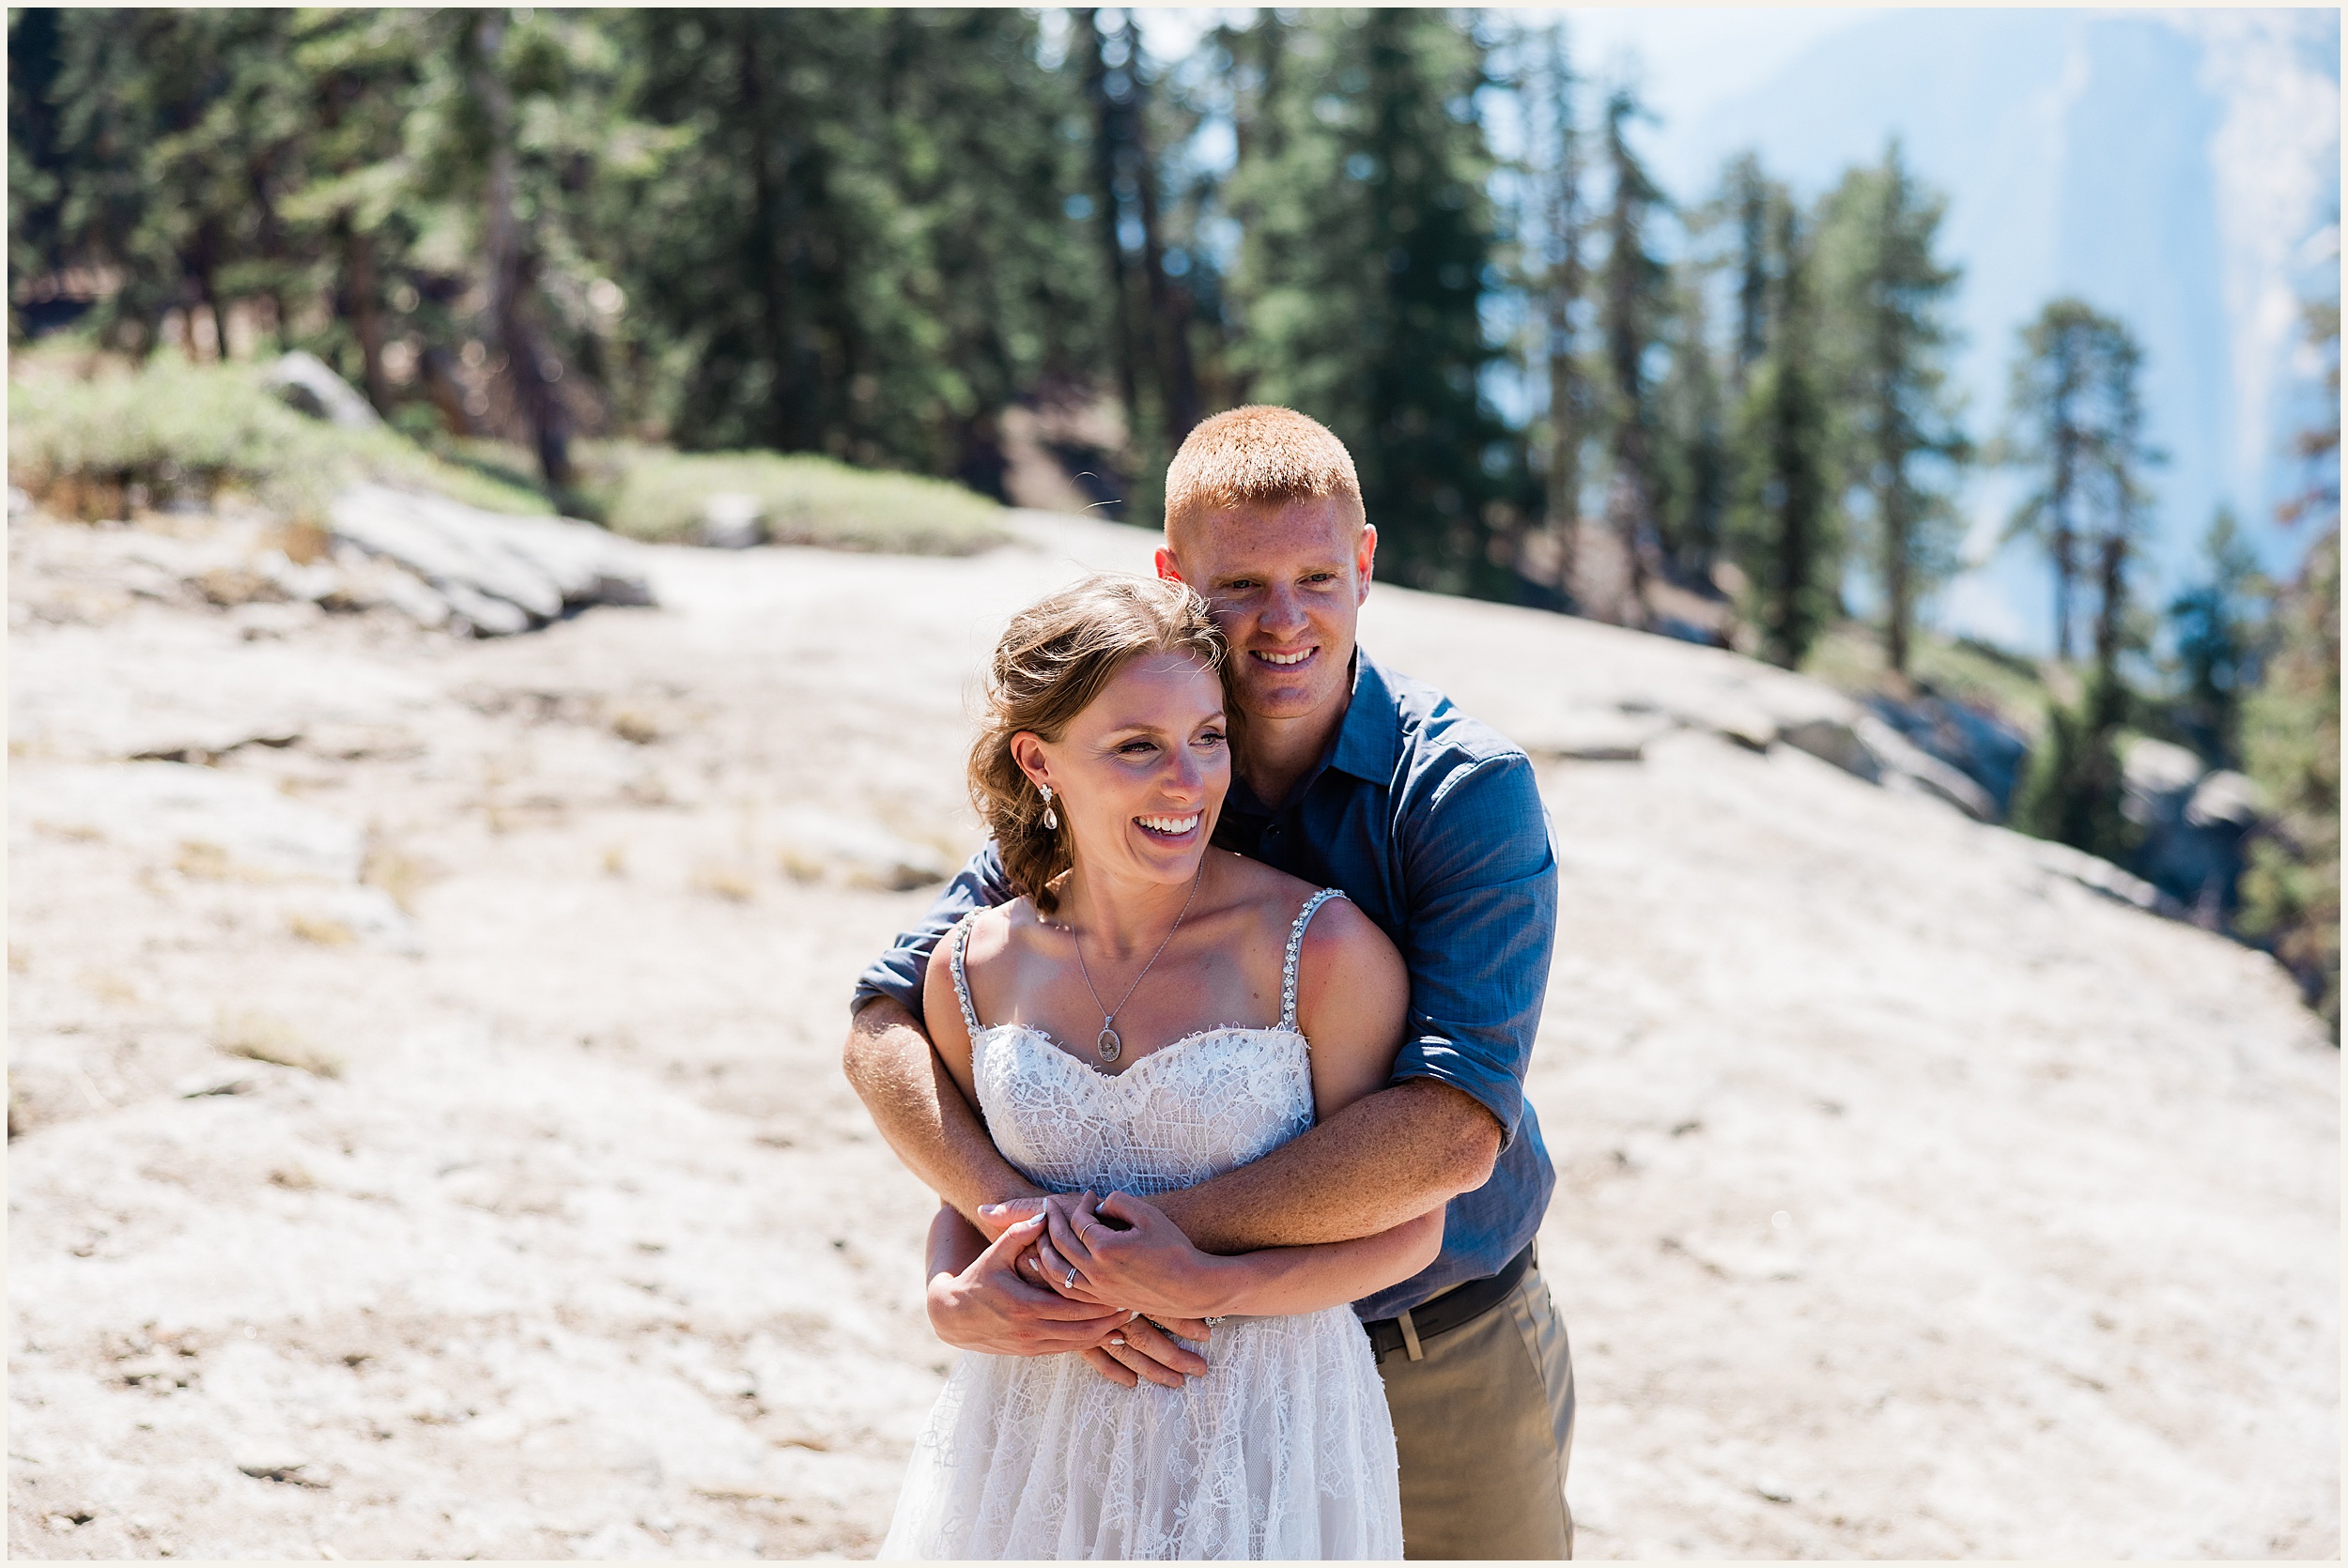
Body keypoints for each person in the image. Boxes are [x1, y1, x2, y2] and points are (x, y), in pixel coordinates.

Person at [847, 406, 1573, 1559]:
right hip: (1136, 1370)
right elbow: (887, 1019)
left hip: (1436, 1336)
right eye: (1239, 586)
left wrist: (1140, 1246)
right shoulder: (1141, 752)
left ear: (1366, 565)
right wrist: (1007, 1238)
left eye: (1317, 576)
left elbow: (1447, 1137)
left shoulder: (1457, 793)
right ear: (1174, 577)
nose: (1284, 622)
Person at [880, 573, 1434, 1558]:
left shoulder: (1319, 947)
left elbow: (1409, 1227)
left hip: (1263, 1432)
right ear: (1038, 758)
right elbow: (968, 1191)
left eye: (1208, 737)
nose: (1188, 782)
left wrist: (1205, 1284)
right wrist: (949, 1296)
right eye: (1137, 746)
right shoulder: (971, 966)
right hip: (1032, 1437)